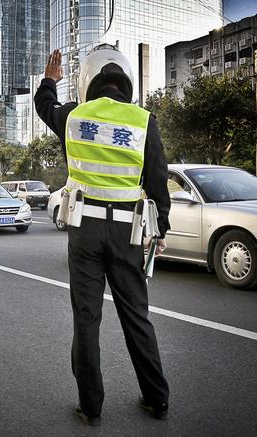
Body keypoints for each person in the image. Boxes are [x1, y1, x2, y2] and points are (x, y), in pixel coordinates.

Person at [34, 45, 171, 426]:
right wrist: (160, 228)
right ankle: (156, 398)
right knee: (136, 316)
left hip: (85, 230)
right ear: (124, 81)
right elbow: (158, 180)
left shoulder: (74, 116)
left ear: (88, 81)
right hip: (129, 230)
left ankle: (91, 407)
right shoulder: (144, 121)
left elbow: (43, 104)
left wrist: (50, 80)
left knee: (87, 318)